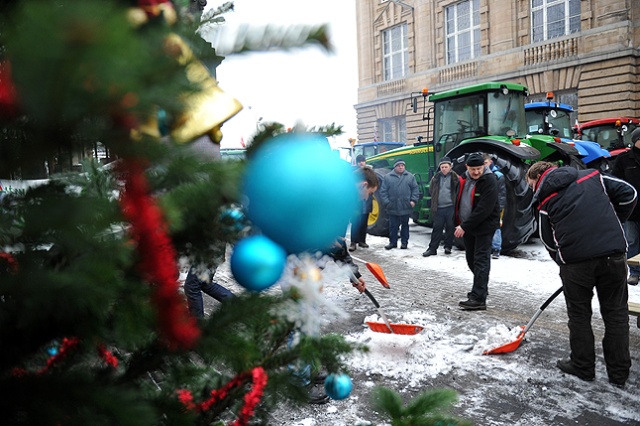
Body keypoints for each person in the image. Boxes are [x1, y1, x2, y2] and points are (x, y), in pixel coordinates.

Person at [526, 161, 636, 388]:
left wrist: (563, 260)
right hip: (613, 256)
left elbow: (547, 239)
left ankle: (583, 366)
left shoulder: (545, 199)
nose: (532, 190)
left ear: (538, 178)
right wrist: (614, 222)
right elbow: (629, 194)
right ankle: (619, 374)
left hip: (576, 265)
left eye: (531, 185)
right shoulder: (593, 177)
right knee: (616, 315)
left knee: (579, 316)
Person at [454, 152, 500, 311]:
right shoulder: (463, 178)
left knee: (481, 260)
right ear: (467, 167)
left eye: (479, 168)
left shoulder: (490, 180)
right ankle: (481, 287)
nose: (476, 172)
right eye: (473, 169)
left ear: (484, 166)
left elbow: (484, 209)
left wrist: (464, 226)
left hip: (484, 226)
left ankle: (479, 298)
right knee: (471, 259)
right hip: (468, 226)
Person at [612, 127, 640, 285]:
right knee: (632, 241)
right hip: (631, 209)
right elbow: (616, 182)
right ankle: (634, 272)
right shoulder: (623, 159)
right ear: (636, 141)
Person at [423, 156, 460, 257]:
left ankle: (448, 247)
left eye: (446, 167)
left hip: (450, 207)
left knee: (450, 228)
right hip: (438, 208)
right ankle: (432, 249)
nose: (444, 169)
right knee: (437, 229)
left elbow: (458, 191)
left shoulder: (455, 178)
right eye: (442, 167)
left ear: (450, 167)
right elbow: (431, 190)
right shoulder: (435, 178)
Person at [380, 159, 419, 250]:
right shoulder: (387, 177)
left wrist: (413, 201)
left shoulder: (410, 177)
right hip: (392, 206)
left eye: (402, 165)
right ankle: (392, 242)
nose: (401, 167)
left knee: (405, 225)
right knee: (393, 226)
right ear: (395, 167)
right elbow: (383, 192)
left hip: (406, 206)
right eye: (399, 165)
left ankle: (404, 243)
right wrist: (387, 203)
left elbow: (415, 190)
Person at [350, 155, 377, 251]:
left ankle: (362, 240)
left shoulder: (370, 174)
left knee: (363, 223)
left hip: (366, 207)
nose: (361, 163)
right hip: (357, 207)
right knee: (356, 223)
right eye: (360, 161)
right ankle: (353, 242)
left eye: (363, 161)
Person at [483, 154, 506, 259]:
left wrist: (500, 206)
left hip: (495, 206)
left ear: (490, 162)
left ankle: (496, 249)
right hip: (484, 205)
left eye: (486, 163)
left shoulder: (498, 176)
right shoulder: (481, 175)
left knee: (496, 227)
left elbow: (502, 193)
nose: (484, 165)